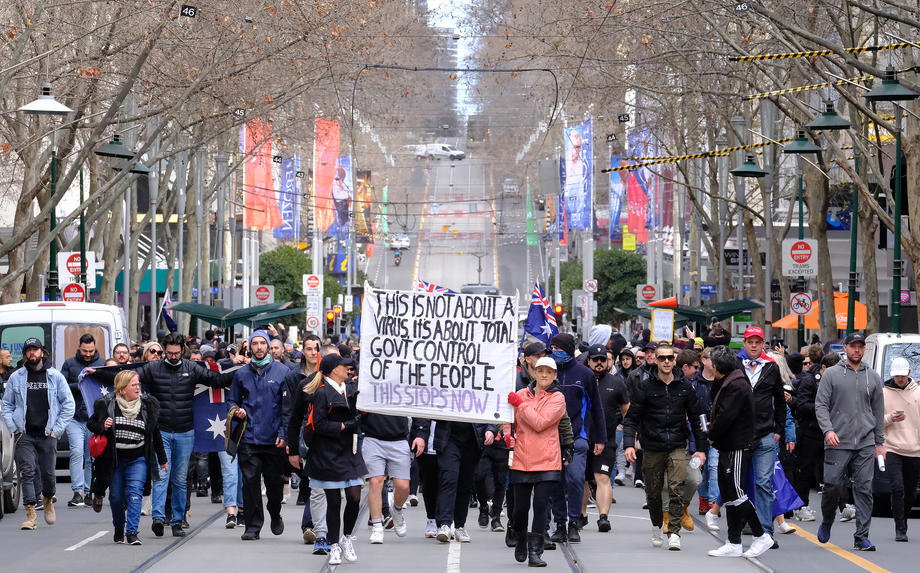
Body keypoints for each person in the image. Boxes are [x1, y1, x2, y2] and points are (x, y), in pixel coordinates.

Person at [133, 332, 238, 538]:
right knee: (162, 476)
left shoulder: (192, 368)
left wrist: (240, 370)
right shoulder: (152, 368)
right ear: (164, 351)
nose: (173, 356)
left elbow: (217, 380)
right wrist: (96, 373)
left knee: (180, 479)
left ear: (182, 351)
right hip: (160, 430)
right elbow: (128, 377)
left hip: (185, 431)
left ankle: (178, 520)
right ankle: (158, 517)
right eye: (169, 353)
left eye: (177, 353)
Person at [623, 344, 706, 551]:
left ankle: (675, 533)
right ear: (656, 360)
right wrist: (628, 445)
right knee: (653, 492)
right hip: (652, 446)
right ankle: (656, 525)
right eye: (662, 358)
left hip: (677, 444)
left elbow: (697, 419)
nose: (667, 361)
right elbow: (632, 418)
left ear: (674, 360)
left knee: (677, 487)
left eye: (670, 358)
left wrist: (701, 448)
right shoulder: (645, 386)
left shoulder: (685, 387)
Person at [815, 333, 885, 551]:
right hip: (837, 441)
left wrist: (879, 442)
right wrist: (828, 430)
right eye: (853, 346)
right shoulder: (832, 375)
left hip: (865, 441)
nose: (857, 350)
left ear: (864, 349)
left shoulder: (872, 376)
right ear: (845, 348)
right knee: (833, 485)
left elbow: (878, 411)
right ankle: (827, 520)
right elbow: (821, 405)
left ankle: (861, 536)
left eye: (860, 347)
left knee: (864, 489)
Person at [227, 330, 296, 540]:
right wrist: (236, 411)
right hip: (249, 438)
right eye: (254, 344)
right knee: (250, 484)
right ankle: (252, 526)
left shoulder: (283, 372)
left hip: (274, 439)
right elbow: (232, 400)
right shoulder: (241, 374)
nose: (258, 347)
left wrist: (284, 433)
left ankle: (275, 513)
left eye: (262, 343)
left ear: (268, 346)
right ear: (250, 347)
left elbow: (288, 408)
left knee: (275, 485)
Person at [706, 346, 774, 558]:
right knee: (728, 494)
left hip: (736, 446)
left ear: (717, 366)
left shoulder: (736, 385)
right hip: (727, 445)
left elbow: (726, 416)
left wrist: (711, 432)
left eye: (710, 363)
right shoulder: (731, 381)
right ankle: (733, 542)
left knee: (736, 493)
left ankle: (761, 535)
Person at [1, 337, 75, 530]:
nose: (32, 353)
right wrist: (13, 428)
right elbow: (6, 405)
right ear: (25, 354)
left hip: (47, 433)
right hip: (24, 433)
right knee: (27, 472)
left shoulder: (55, 376)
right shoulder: (16, 377)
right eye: (29, 350)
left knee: (48, 475)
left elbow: (68, 404)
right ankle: (30, 514)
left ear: (42, 352)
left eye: (35, 350)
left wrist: (56, 430)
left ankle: (48, 499)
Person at [299, 354, 366, 565]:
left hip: (349, 451)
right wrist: (345, 426)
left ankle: (346, 538)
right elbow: (318, 424)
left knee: (355, 497)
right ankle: (334, 545)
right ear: (332, 370)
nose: (348, 368)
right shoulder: (321, 394)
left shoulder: (352, 391)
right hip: (326, 454)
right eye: (343, 365)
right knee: (334, 502)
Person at [88, 370, 167, 545]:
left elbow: (156, 434)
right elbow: (91, 424)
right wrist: (103, 425)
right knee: (116, 497)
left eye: (139, 384)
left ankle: (132, 532)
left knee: (135, 494)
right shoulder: (107, 404)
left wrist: (162, 459)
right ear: (122, 389)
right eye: (134, 385)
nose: (138, 388)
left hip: (138, 459)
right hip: (114, 460)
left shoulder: (147, 407)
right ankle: (118, 527)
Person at [504, 356, 567, 567]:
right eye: (540, 371)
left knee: (541, 507)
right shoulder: (521, 394)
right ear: (533, 372)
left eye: (549, 372)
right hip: (521, 458)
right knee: (519, 510)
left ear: (555, 375)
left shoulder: (558, 398)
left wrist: (521, 405)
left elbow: (540, 423)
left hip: (547, 460)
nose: (544, 375)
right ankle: (520, 538)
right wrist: (506, 434)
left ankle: (535, 551)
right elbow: (507, 418)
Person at [547, 333, 606, 544]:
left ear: (569, 350)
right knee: (555, 483)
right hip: (550, 438)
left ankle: (574, 522)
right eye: (552, 348)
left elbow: (596, 408)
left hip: (578, 436)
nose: (555, 352)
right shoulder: (547, 373)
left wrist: (600, 438)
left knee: (575, 479)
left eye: (559, 348)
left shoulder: (585, 374)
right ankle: (560, 525)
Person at [735, 326, 786, 540]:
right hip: (739, 435)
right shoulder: (735, 365)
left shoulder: (772, 367)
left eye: (757, 342)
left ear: (763, 344)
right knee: (738, 484)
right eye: (750, 342)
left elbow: (781, 401)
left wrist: (779, 430)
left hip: (765, 434)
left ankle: (765, 532)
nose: (754, 346)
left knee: (763, 483)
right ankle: (736, 529)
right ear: (744, 344)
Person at [585, 344, 628, 533]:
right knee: (582, 479)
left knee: (602, 477)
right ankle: (581, 514)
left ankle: (603, 517)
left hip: (607, 439)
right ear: (589, 361)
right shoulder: (582, 380)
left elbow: (627, 408)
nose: (600, 363)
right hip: (582, 439)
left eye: (603, 359)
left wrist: (621, 427)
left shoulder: (616, 383)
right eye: (596, 360)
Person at [60, 333, 105, 508]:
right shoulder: (70, 364)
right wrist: (80, 383)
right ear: (79, 347)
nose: (88, 354)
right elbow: (62, 386)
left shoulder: (101, 363)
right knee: (76, 452)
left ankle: (88, 492)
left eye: (91, 350)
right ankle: (77, 491)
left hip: (93, 418)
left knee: (90, 456)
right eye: (85, 350)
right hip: (74, 417)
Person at [882, 357, 920, 542]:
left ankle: (903, 518)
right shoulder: (884, 392)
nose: (900, 379)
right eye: (897, 376)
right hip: (893, 448)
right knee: (897, 488)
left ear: (909, 374)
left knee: (911, 491)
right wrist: (889, 418)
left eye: (903, 376)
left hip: (915, 449)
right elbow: (875, 420)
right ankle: (900, 527)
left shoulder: (918, 392)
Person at [361, 408, 412, 543]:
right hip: (373, 438)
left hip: (399, 439)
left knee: (403, 487)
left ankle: (397, 510)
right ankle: (377, 526)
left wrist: (420, 434)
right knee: (375, 482)